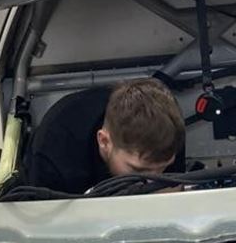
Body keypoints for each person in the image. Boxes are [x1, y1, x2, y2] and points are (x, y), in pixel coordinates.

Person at [21, 77, 185, 195]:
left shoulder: (168, 131)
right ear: (104, 141)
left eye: (163, 168)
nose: (153, 181)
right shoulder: (55, 150)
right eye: (139, 170)